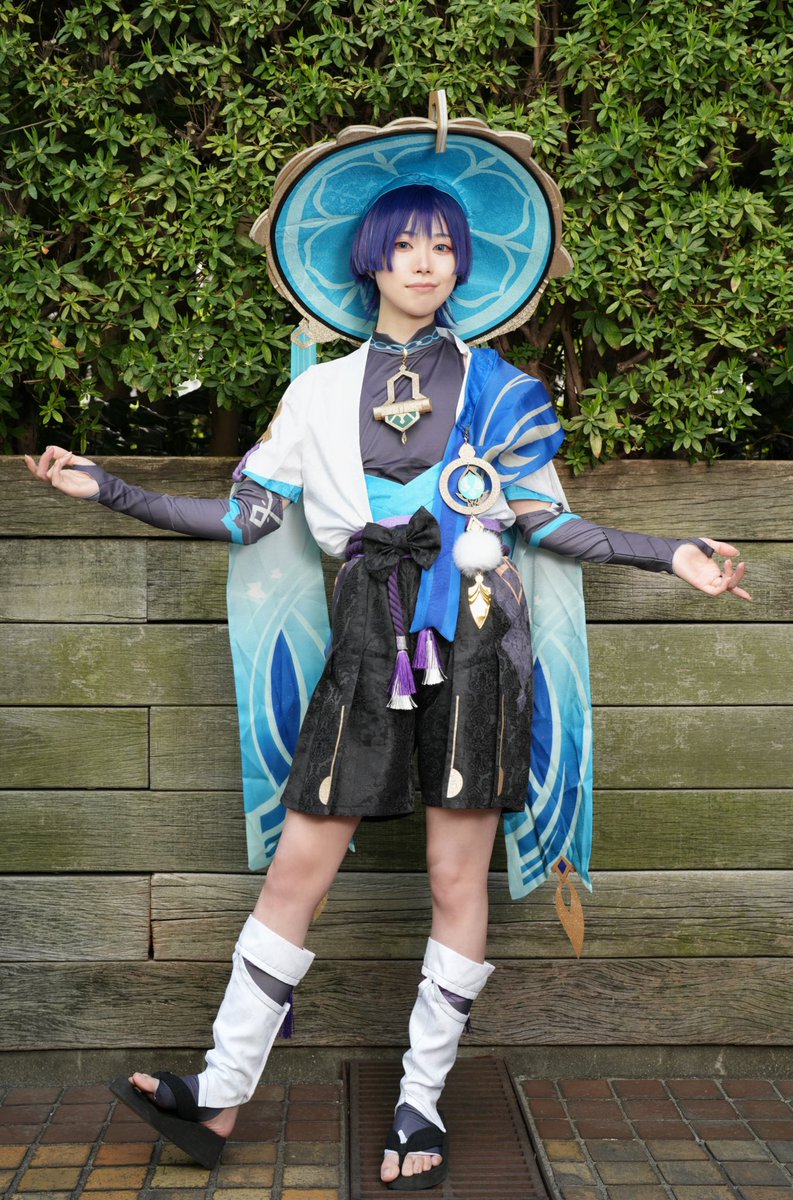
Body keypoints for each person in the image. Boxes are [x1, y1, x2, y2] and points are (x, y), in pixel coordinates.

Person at [26, 106, 749, 1191]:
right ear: (368, 258)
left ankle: (420, 1104)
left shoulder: (502, 390)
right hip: (367, 635)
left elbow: (543, 523)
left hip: (476, 635)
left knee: (455, 870)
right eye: (406, 242)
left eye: (444, 245)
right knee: (300, 862)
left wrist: (669, 553)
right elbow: (247, 520)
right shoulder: (314, 393)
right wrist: (111, 490)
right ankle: (220, 1091)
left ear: (463, 266)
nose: (425, 261)